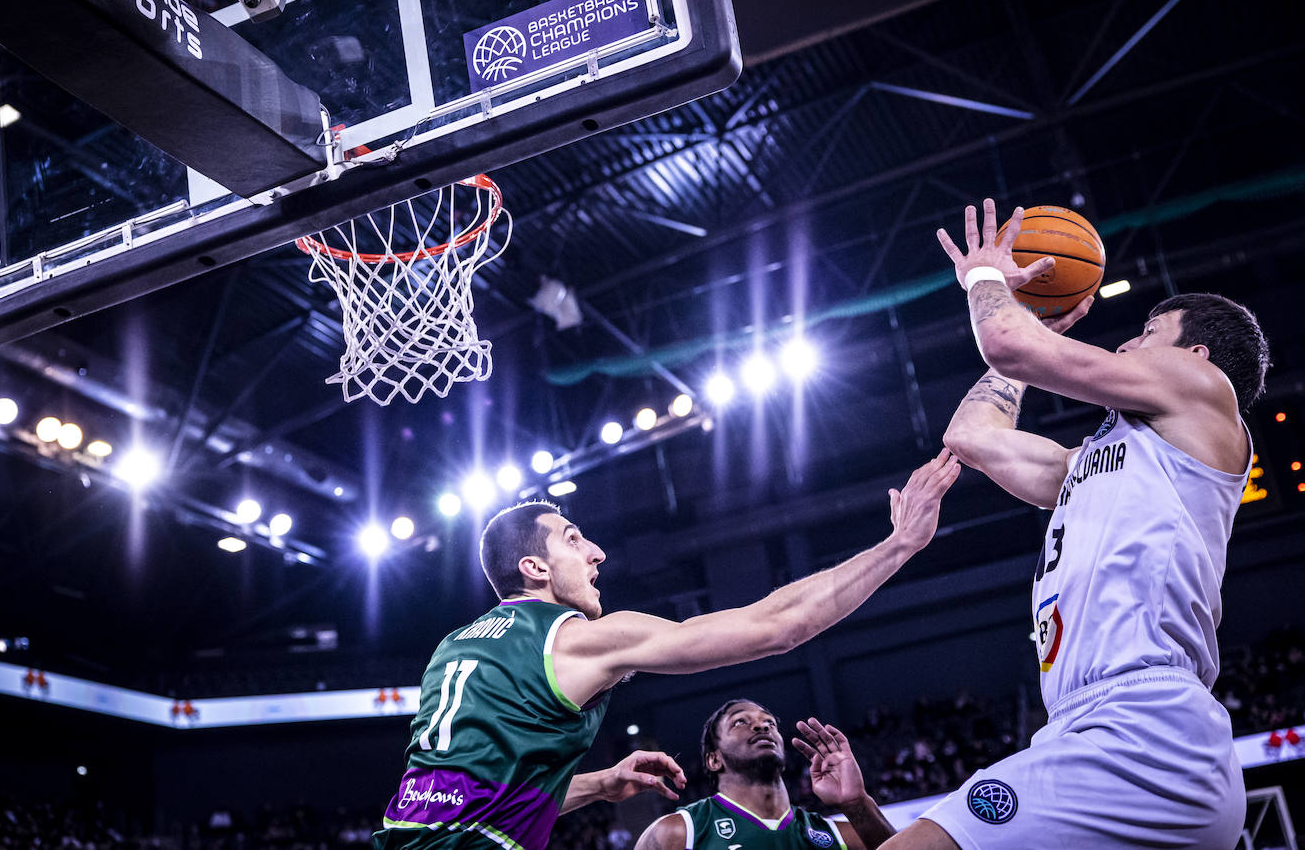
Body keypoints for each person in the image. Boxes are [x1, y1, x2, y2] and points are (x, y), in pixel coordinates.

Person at [877, 200, 1268, 850]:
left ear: (1196, 354)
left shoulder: (1203, 390)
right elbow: (969, 436)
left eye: (1148, 330)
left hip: (1145, 726)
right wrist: (1022, 332)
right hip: (1083, 725)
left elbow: (1006, 340)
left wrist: (989, 282)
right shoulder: (1090, 465)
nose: (1127, 342)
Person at [374, 451, 961, 850]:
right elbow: (773, 627)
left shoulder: (452, 650)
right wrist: (900, 545)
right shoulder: (576, 638)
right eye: (574, 540)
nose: (596, 552)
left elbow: (471, 792)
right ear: (534, 568)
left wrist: (602, 784)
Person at [634, 699, 895, 850]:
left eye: (769, 722)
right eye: (740, 721)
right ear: (714, 759)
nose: (761, 725)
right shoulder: (678, 832)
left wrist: (856, 803)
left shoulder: (839, 835)